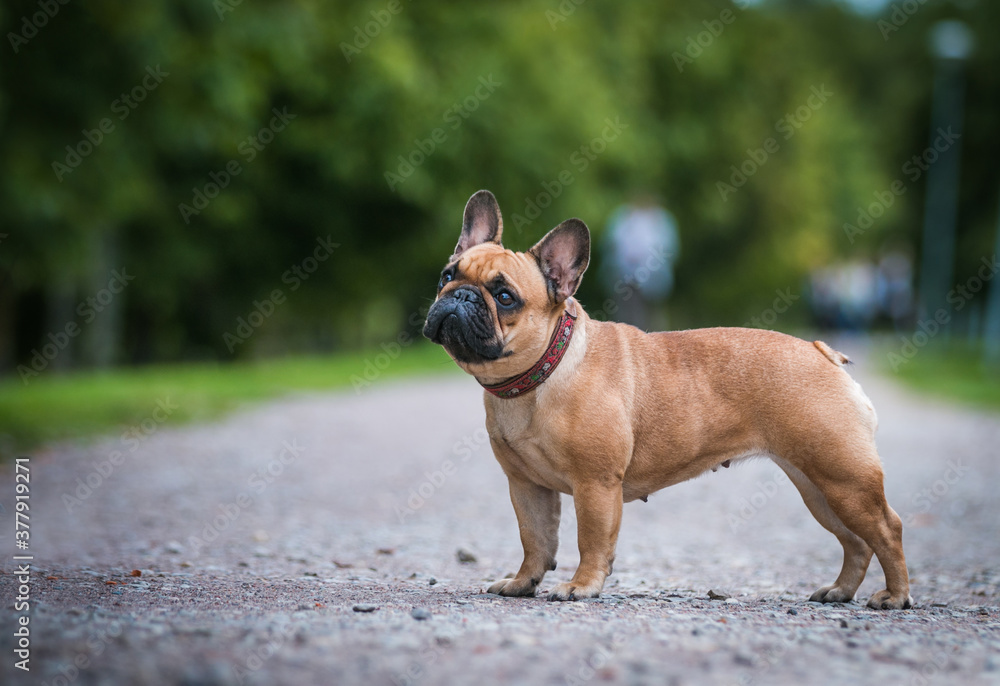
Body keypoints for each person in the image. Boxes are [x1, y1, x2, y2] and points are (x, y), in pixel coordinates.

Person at [601, 194, 680, 330]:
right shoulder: (623, 217)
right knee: (626, 314)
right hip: (625, 275)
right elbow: (611, 243)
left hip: (655, 278)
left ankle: (655, 344)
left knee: (653, 316)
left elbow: (670, 248)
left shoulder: (662, 219)